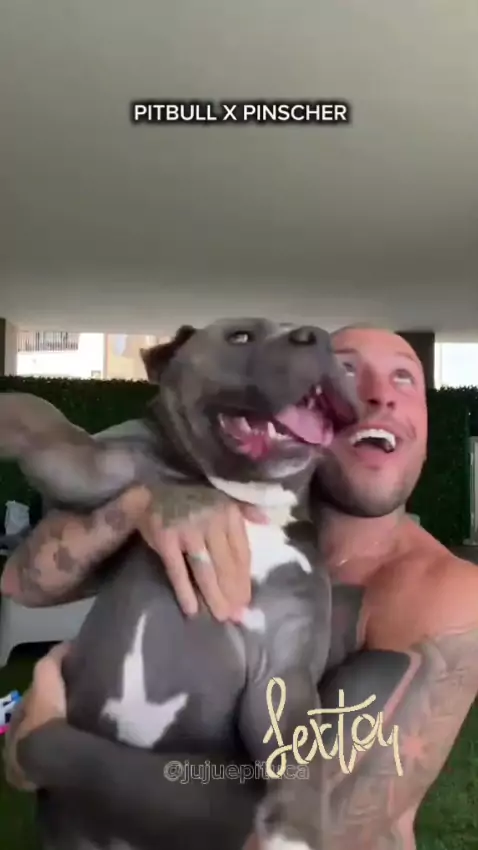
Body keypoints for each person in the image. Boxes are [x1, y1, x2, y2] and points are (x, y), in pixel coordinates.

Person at [4, 325, 478, 850]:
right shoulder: (215, 496)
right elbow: (25, 581)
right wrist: (140, 506)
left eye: (405, 378)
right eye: (346, 368)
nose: (380, 394)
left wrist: (50, 749)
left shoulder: (446, 597)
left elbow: (310, 832)